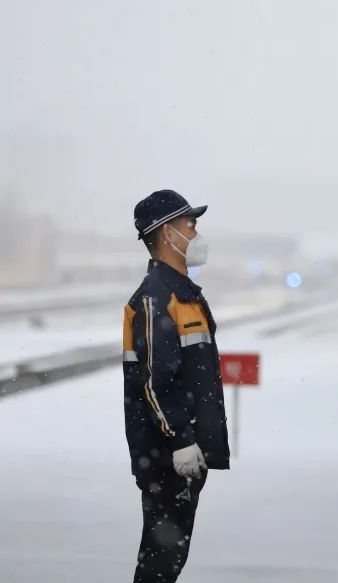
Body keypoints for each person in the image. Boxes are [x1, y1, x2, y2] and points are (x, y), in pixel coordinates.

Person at [123, 189, 230, 582]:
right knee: (160, 561)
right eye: (190, 224)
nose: (196, 232)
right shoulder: (156, 299)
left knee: (168, 559)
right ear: (169, 234)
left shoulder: (183, 297)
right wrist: (181, 439)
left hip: (183, 455)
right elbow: (154, 381)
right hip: (168, 456)